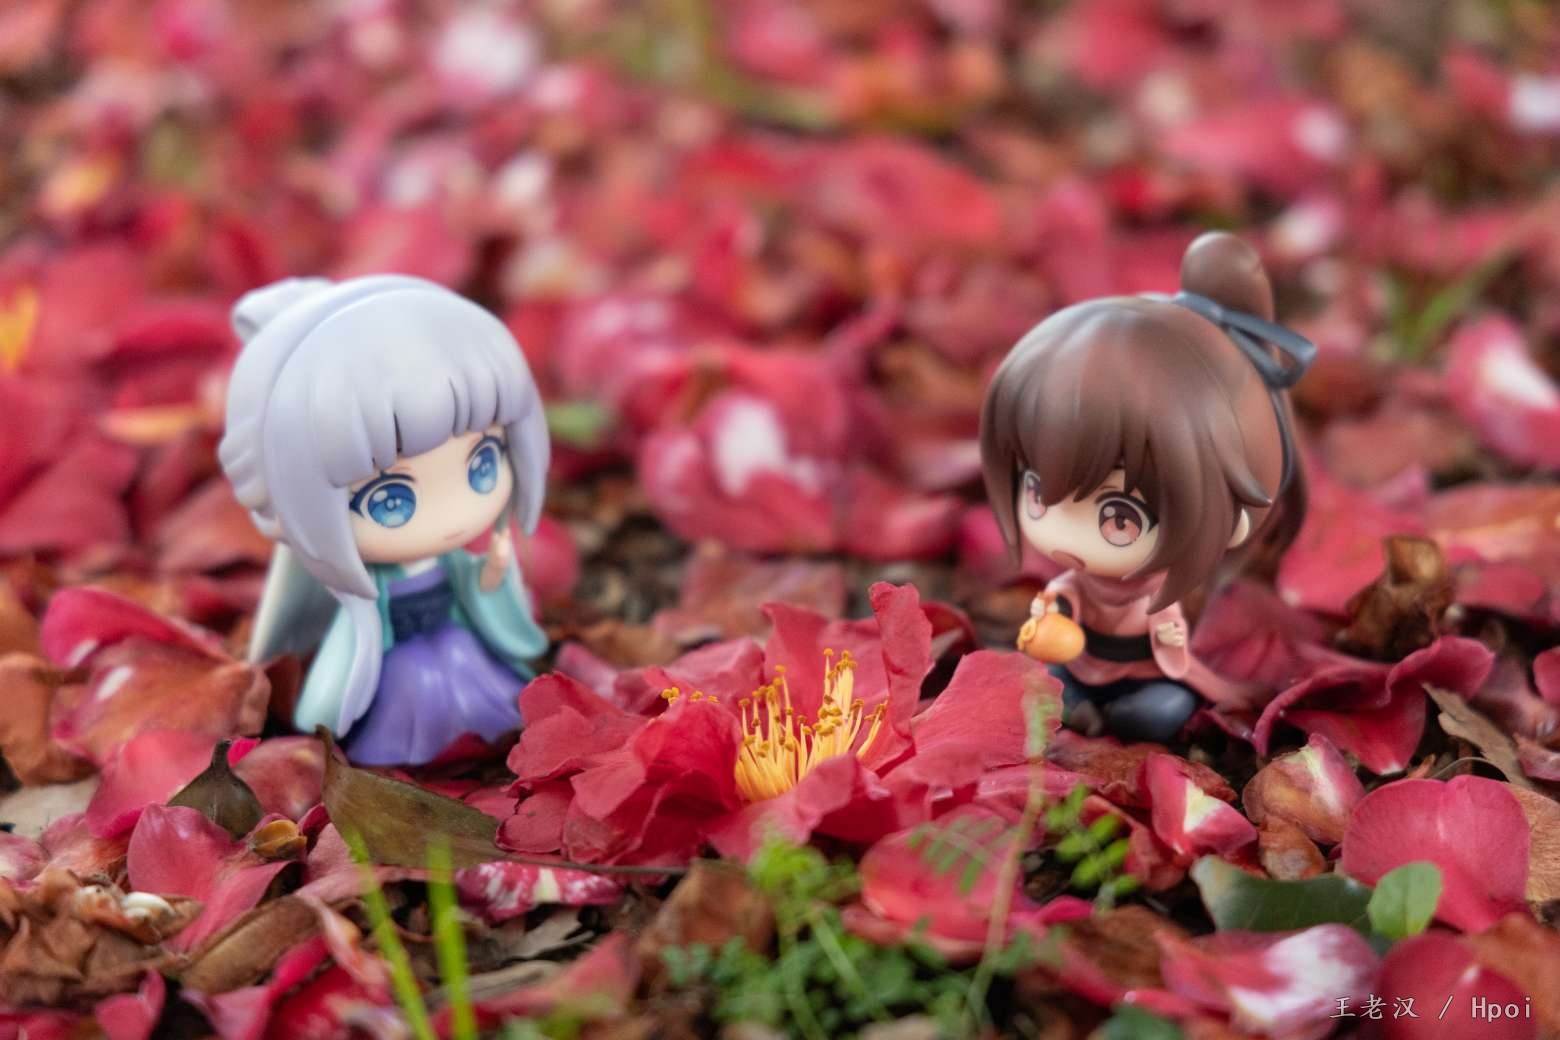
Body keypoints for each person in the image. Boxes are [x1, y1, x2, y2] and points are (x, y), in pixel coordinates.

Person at [979, 232, 1313, 742]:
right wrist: (1046, 631)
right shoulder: (1070, 589)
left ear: (1232, 519)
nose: (1067, 536)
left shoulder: (1158, 603)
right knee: (1049, 691)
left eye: (1118, 517)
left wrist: (1219, 684)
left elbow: (1177, 660)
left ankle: (1109, 716)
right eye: (1038, 491)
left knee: (1158, 712)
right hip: (1079, 672)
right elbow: (1051, 626)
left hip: (1144, 680)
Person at [219, 275, 549, 765]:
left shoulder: (452, 558)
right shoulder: (366, 588)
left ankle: (487, 734)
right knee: (418, 688)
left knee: (470, 666)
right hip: (399, 662)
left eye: (483, 464)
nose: (452, 516)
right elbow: (349, 648)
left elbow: (475, 588)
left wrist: (493, 570)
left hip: (456, 638)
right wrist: (320, 710)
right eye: (390, 500)